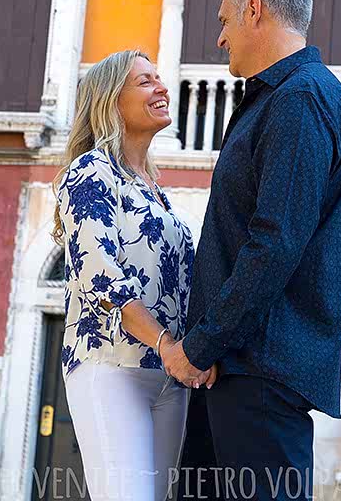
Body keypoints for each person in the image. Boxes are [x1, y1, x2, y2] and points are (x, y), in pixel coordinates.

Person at [161, 0, 341, 501]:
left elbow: (274, 243)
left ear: (255, 11)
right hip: (240, 370)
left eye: (225, 20)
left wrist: (200, 345)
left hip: (259, 374)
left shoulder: (300, 99)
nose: (221, 37)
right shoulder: (288, 98)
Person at [53, 49, 206, 501]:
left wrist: (196, 348)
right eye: (145, 81)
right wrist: (167, 344)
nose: (162, 87)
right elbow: (101, 275)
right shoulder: (90, 174)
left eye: (159, 78)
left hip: (169, 378)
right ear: (109, 100)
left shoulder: (156, 191)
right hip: (111, 367)